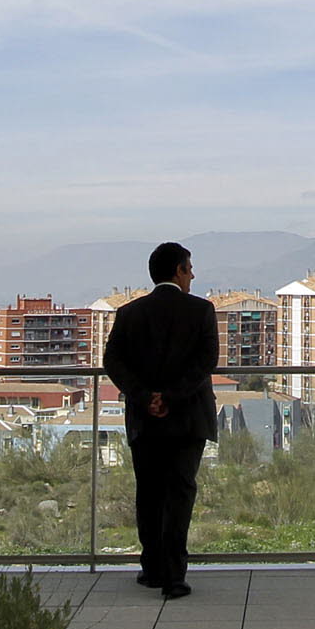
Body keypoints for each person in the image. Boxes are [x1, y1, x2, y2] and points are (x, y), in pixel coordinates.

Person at [100, 241, 217, 599]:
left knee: (149, 493)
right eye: (190, 268)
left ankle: (151, 569)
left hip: (144, 420)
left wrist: (144, 396)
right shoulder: (201, 311)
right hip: (187, 419)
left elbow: (113, 362)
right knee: (180, 493)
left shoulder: (130, 313)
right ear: (179, 271)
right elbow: (206, 362)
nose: (193, 274)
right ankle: (174, 576)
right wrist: (172, 396)